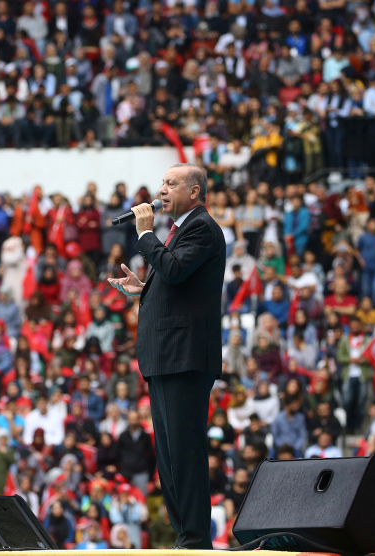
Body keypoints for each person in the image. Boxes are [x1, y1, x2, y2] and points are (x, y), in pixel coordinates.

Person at [107, 163, 225, 549]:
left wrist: (144, 233)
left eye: (171, 183)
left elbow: (173, 270)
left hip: (184, 357)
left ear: (194, 192)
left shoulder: (201, 227)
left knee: (184, 452)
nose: (162, 190)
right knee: (170, 455)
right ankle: (185, 536)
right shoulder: (180, 230)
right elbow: (177, 283)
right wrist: (144, 288)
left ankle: (195, 540)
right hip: (167, 356)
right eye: (162, 182)